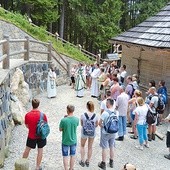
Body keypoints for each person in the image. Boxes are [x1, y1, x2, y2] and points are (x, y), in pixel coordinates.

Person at [22, 99, 48, 170]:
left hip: (31, 135)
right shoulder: (43, 115)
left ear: (32, 104)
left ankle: (22, 163)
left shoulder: (27, 115)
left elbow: (27, 126)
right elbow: (45, 125)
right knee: (40, 150)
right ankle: (37, 167)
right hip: (41, 135)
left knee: (27, 149)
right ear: (38, 105)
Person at [98, 98, 119, 169]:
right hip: (113, 132)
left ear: (109, 104)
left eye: (107, 103)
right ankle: (111, 162)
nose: (106, 104)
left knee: (104, 147)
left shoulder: (105, 113)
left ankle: (103, 163)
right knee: (112, 146)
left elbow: (99, 123)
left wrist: (103, 127)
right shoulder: (116, 112)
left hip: (105, 132)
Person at [59, 105, 79, 170]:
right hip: (73, 140)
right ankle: (71, 168)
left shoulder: (63, 120)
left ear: (67, 110)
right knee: (72, 155)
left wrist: (65, 118)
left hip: (65, 140)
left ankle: (66, 169)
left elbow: (60, 129)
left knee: (65, 156)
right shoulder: (76, 119)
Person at [79, 101, 98, 167]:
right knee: (90, 147)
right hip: (92, 133)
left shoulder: (83, 115)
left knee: (82, 145)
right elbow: (96, 125)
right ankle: (88, 161)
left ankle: (82, 160)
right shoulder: (95, 115)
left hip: (84, 132)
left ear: (87, 106)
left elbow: (81, 124)